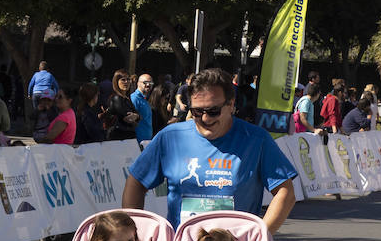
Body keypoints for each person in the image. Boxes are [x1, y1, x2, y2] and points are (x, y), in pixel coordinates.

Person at [123, 67, 296, 232]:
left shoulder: (257, 140)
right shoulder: (170, 137)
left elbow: (285, 192)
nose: (205, 118)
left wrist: (260, 236)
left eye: (213, 111)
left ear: (231, 104)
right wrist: (135, 235)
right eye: (197, 111)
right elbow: (136, 182)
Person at [104, 70, 140, 141]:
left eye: (128, 79)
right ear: (116, 82)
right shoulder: (116, 98)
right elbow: (127, 117)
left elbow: (137, 116)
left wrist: (136, 116)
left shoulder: (127, 99)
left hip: (128, 137)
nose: (126, 82)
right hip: (118, 137)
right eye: (123, 80)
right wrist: (135, 116)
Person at [131, 74, 154, 144]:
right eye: (145, 82)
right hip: (137, 143)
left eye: (150, 83)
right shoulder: (134, 98)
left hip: (146, 142)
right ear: (138, 83)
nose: (148, 85)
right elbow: (131, 122)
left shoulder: (144, 99)